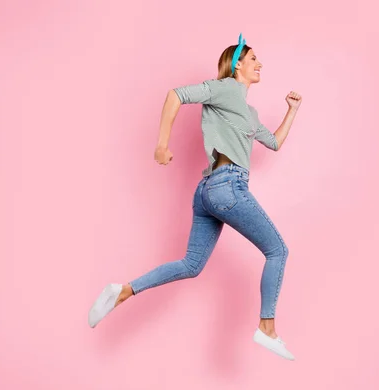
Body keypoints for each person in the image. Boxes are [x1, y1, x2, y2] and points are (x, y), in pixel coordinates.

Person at [88, 33, 302, 360]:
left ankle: (123, 291)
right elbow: (176, 95)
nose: (260, 64)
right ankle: (267, 328)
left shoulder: (248, 111)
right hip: (227, 186)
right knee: (278, 250)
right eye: (253, 58)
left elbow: (273, 142)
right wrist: (161, 144)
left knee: (191, 265)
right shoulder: (226, 88)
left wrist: (292, 110)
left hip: (208, 192)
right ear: (236, 64)